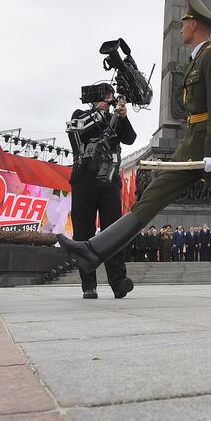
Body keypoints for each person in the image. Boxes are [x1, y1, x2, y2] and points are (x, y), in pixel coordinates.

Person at [57, 0, 211, 302]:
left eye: (186, 20)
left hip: (210, 148)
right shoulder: (196, 60)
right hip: (191, 146)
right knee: (151, 197)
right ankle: (93, 252)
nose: (182, 25)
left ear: (197, 25)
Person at [66, 85, 137, 300]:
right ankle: (89, 284)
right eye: (106, 96)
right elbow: (78, 131)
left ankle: (118, 282)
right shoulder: (81, 115)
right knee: (83, 232)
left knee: (113, 232)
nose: (109, 100)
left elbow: (130, 138)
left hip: (109, 181)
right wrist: (99, 111)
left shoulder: (116, 118)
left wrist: (123, 117)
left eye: (110, 96)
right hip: (84, 180)